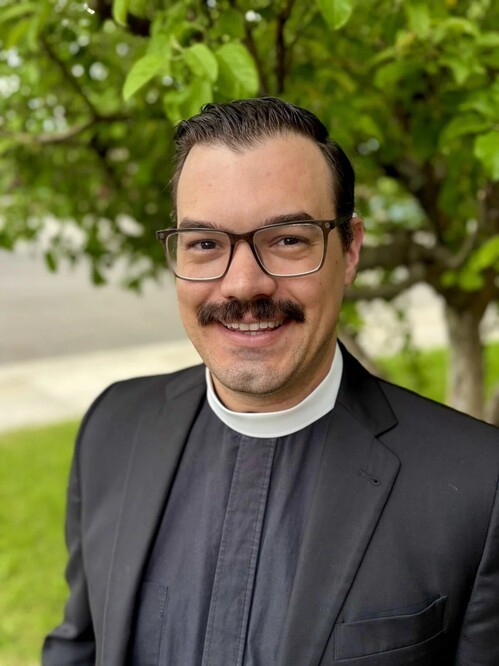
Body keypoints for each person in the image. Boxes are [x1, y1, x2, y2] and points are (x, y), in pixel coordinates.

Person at [42, 97, 499, 666]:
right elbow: (78, 647)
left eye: (287, 240)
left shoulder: (481, 486)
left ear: (349, 250)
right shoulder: (112, 427)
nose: (243, 285)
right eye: (205, 244)